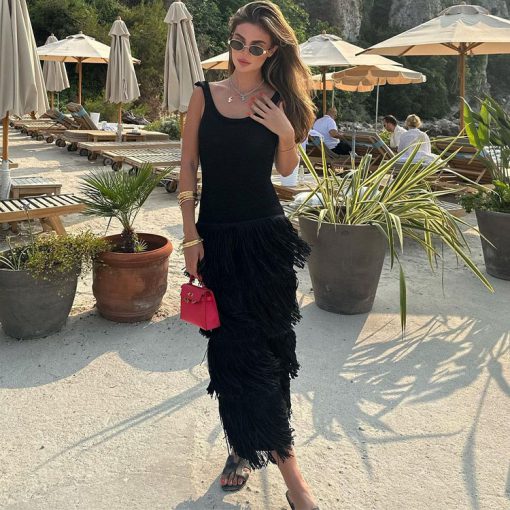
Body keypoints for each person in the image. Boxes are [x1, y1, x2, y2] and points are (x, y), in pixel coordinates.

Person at [179, 2, 319, 509]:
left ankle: (259, 454)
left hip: (266, 240)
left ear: (273, 50)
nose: (243, 52)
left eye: (255, 46)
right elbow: (187, 168)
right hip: (217, 239)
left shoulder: (279, 101)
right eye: (237, 42)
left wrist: (285, 131)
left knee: (271, 351)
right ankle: (283, 474)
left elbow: (286, 172)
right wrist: (190, 236)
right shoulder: (203, 95)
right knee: (233, 352)